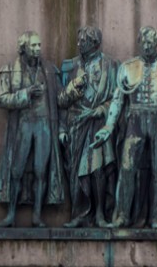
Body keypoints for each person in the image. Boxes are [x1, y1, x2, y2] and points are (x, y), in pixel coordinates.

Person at [93, 26, 157, 228]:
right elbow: (117, 100)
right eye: (143, 43)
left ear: (156, 43)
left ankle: (154, 218)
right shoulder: (128, 67)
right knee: (127, 168)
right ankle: (122, 216)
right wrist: (109, 126)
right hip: (135, 120)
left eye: (150, 43)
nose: (146, 46)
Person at [0, 30, 65, 227]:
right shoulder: (10, 69)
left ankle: (37, 215)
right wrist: (26, 94)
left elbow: (61, 99)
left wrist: (74, 90)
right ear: (24, 48)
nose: (37, 49)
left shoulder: (49, 70)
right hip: (23, 125)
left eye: (39, 45)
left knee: (41, 171)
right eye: (33, 46)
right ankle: (10, 215)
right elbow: (1, 99)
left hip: (44, 125)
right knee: (16, 170)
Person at [57, 26, 118, 228]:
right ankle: (79, 213)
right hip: (76, 124)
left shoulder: (110, 66)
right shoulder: (70, 67)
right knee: (75, 172)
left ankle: (100, 214)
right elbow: (60, 102)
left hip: (98, 123)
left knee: (98, 169)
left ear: (95, 44)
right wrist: (74, 87)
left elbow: (118, 99)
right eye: (79, 40)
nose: (79, 44)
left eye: (84, 41)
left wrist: (101, 109)